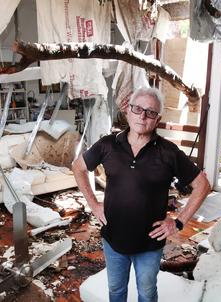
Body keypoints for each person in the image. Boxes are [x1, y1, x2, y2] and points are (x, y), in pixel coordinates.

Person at [72, 87, 210, 302]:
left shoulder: (168, 152)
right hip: (113, 240)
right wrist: (93, 204)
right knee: (116, 291)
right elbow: (78, 167)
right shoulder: (107, 145)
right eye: (137, 109)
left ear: (158, 119)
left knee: (146, 293)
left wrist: (179, 222)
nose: (143, 116)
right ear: (128, 111)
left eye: (150, 112)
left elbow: (202, 185)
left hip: (149, 245)